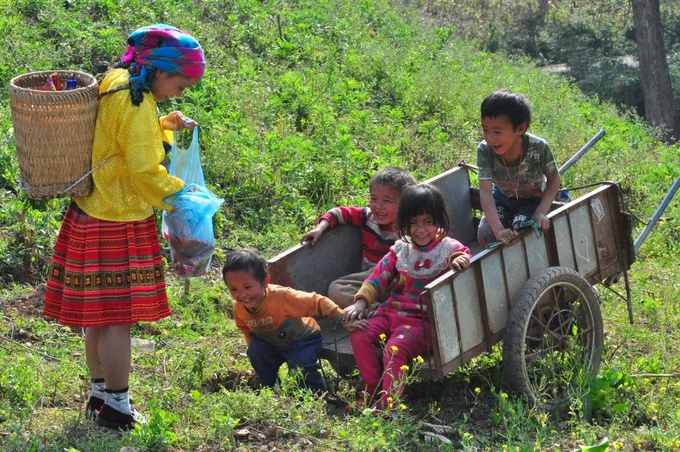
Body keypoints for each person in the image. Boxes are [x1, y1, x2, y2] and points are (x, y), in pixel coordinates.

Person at [42, 23, 206, 431]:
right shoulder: (137, 103)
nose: (181, 92)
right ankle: (117, 407)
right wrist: (183, 198)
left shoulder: (120, 81)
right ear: (161, 72)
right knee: (117, 318)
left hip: (91, 209)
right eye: (181, 84)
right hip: (118, 217)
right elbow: (143, 168)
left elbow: (117, 137)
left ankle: (100, 396)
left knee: (97, 316)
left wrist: (163, 123)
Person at [342, 183, 471, 414]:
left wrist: (458, 261)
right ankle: (371, 388)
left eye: (428, 222)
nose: (420, 230)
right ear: (403, 224)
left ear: (439, 221)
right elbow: (377, 277)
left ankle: (388, 406)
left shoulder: (448, 248)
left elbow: (461, 256)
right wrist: (360, 303)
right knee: (360, 334)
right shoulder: (401, 249)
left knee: (395, 348)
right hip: (391, 313)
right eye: (413, 223)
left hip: (425, 321)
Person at [223, 248, 363, 394]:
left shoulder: (283, 297)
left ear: (265, 282)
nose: (242, 294)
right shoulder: (239, 309)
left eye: (247, 287)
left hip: (302, 339)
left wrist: (341, 318)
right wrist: (256, 352)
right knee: (256, 352)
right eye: (234, 289)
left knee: (300, 365)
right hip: (270, 342)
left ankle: (315, 395)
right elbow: (246, 330)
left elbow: (317, 301)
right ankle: (270, 390)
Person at [301, 167, 416, 308]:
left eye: (386, 201)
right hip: (369, 278)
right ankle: (375, 311)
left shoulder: (411, 228)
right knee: (336, 289)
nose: (378, 206)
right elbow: (340, 212)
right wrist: (320, 228)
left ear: (405, 203)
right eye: (374, 199)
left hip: (394, 279)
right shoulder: (368, 217)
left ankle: (388, 311)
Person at [476, 89, 561, 248]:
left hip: (531, 201)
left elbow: (554, 180)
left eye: (497, 131)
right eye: (485, 130)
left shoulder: (538, 147)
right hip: (501, 197)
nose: (490, 138)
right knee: (486, 236)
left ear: (520, 129)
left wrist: (541, 211)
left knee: (521, 232)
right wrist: (499, 230)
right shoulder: (485, 150)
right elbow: (486, 192)